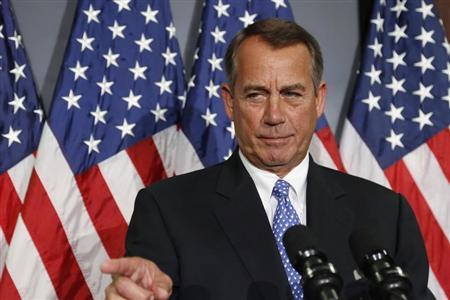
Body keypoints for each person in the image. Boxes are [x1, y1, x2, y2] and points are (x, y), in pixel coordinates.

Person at [101, 18, 434, 300]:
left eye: (291, 94)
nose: (274, 115)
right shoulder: (167, 211)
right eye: (256, 94)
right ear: (230, 103)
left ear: (318, 101)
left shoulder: (385, 214)